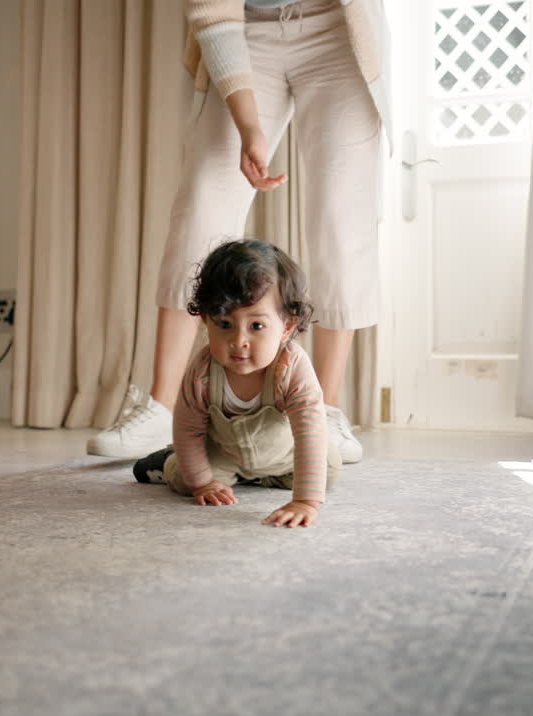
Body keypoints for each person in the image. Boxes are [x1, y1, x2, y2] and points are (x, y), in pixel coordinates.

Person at [87, 0, 391, 465]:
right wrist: (249, 126)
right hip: (246, 31)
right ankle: (161, 407)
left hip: (339, 30)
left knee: (341, 216)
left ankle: (323, 410)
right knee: (202, 206)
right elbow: (213, 14)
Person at [131, 240, 341, 529]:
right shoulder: (203, 372)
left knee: (327, 469)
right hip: (226, 455)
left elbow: (309, 433)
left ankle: (265, 477)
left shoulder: (292, 368)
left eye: (256, 326)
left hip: (284, 456)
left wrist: (305, 501)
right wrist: (203, 484)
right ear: (205, 319)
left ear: (287, 327)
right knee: (186, 479)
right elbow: (188, 428)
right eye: (225, 324)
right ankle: (167, 460)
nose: (238, 341)